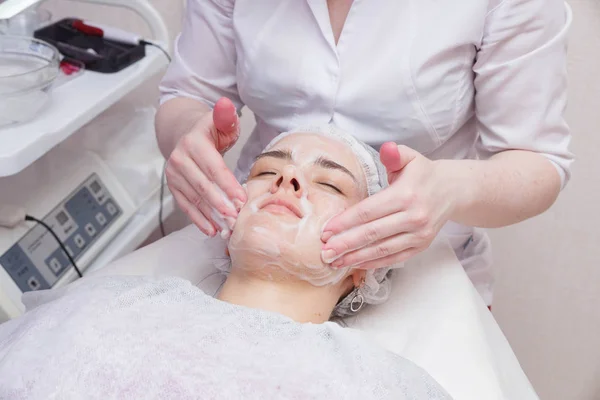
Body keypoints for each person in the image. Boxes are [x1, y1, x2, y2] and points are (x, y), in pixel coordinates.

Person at [155, 0, 574, 307]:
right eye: (274, 171)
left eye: (327, 179)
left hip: (423, 269)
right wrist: (186, 134)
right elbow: (188, 94)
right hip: (241, 252)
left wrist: (450, 190)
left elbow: (536, 160)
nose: (289, 180)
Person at [0, 128, 452, 399]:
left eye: (330, 184)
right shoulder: (99, 310)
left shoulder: (376, 387)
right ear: (227, 221)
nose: (286, 178)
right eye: (263, 172)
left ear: (365, 267)